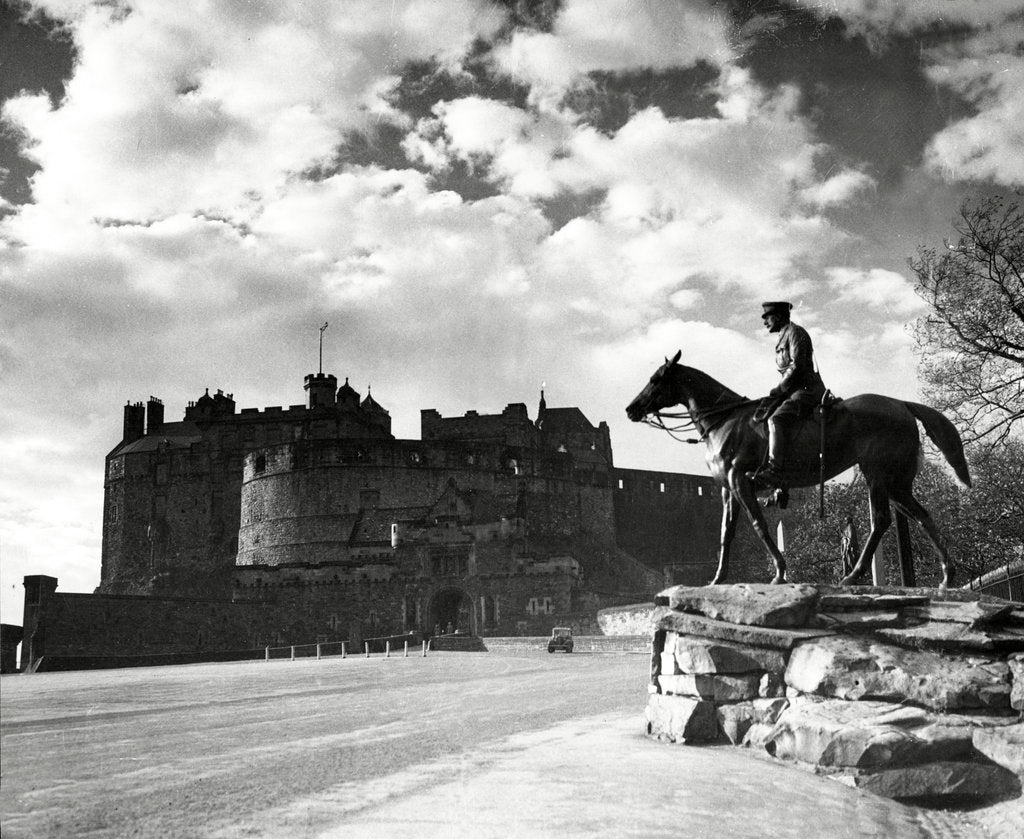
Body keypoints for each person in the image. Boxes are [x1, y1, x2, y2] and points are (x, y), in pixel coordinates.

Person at [749, 301, 826, 488]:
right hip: (793, 390)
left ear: (779, 316)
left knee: (776, 420)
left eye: (768, 317)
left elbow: (797, 367)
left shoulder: (795, 333)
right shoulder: (784, 336)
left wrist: (778, 390)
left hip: (807, 390)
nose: (765, 322)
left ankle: (775, 471)